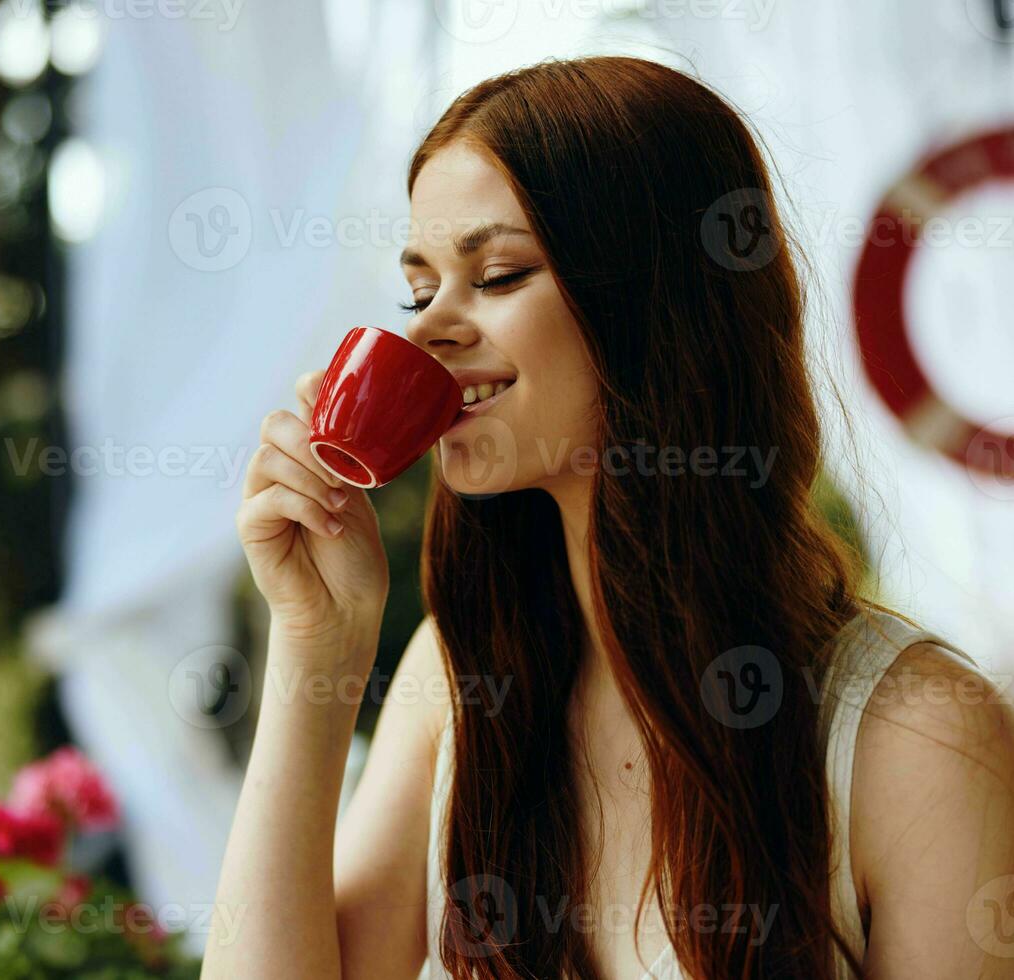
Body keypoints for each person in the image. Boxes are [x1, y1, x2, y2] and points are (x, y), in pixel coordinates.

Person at [201, 56, 1014, 979]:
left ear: (662, 303)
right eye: (419, 290)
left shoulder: (920, 735)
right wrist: (316, 642)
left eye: (498, 274)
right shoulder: (459, 683)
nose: (426, 331)